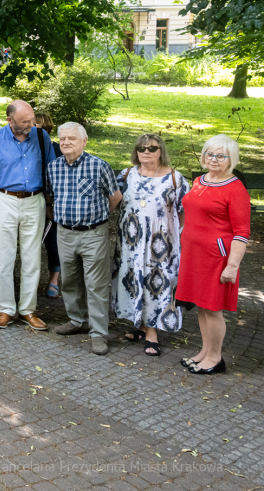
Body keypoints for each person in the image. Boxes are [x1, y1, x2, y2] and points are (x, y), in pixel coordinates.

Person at [0, 100, 55, 330]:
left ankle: (28, 310)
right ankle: (6, 309)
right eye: (25, 122)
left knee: (32, 258)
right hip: (3, 199)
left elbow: (51, 171)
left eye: (31, 120)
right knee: (3, 258)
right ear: (10, 120)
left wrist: (50, 202)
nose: (31, 124)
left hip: (34, 201)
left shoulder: (41, 137)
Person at [175, 135, 250, 375]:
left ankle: (216, 358)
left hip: (216, 258)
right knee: (201, 305)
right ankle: (205, 352)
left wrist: (232, 266)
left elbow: (242, 232)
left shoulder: (235, 188)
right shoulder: (200, 180)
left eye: (220, 155)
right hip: (193, 255)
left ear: (231, 160)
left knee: (213, 307)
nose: (213, 159)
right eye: (209, 154)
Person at [45, 123, 122, 356]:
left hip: (93, 234)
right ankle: (77, 321)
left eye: (71, 138)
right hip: (64, 233)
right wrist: (58, 219)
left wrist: (99, 218)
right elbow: (50, 198)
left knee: (96, 284)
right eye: (62, 138)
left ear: (84, 141)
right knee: (68, 280)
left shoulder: (99, 166)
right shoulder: (53, 167)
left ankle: (98, 333)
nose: (66, 142)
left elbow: (115, 197)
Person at [112, 133, 189, 357]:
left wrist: (178, 234)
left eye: (152, 148)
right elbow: (114, 201)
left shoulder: (175, 178)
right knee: (134, 280)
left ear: (161, 151)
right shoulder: (126, 175)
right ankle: (140, 325)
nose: (146, 152)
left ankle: (152, 333)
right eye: (142, 148)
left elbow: (185, 210)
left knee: (157, 283)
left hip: (161, 244)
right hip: (131, 242)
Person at [35, 112, 64, 298]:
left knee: (53, 245)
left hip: (53, 204)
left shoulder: (58, 149)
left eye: (40, 128)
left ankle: (54, 280)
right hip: (30, 201)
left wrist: (50, 204)